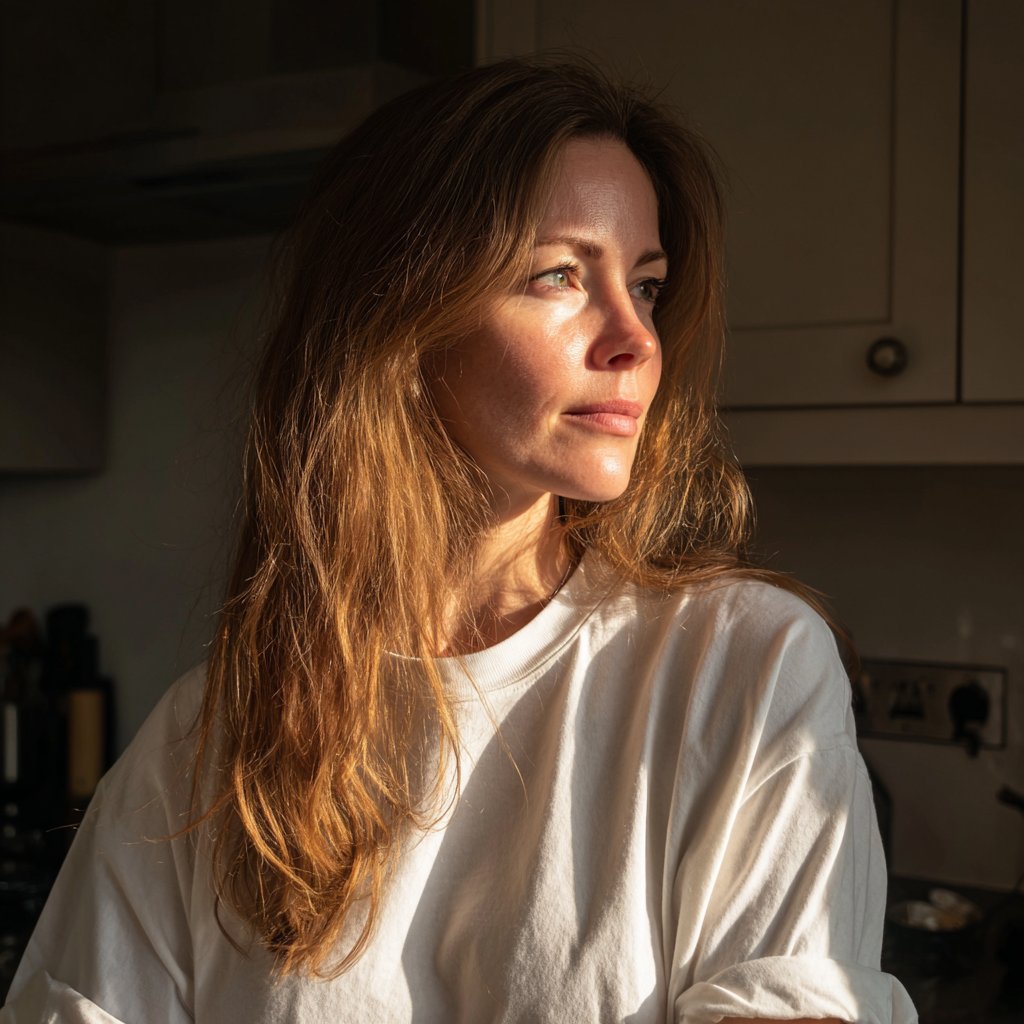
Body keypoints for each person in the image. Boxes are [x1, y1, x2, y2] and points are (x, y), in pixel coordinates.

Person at [2, 58, 917, 1023]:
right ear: (400, 321)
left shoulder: (745, 673)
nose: (635, 339)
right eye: (561, 274)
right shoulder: (210, 740)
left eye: (645, 285)